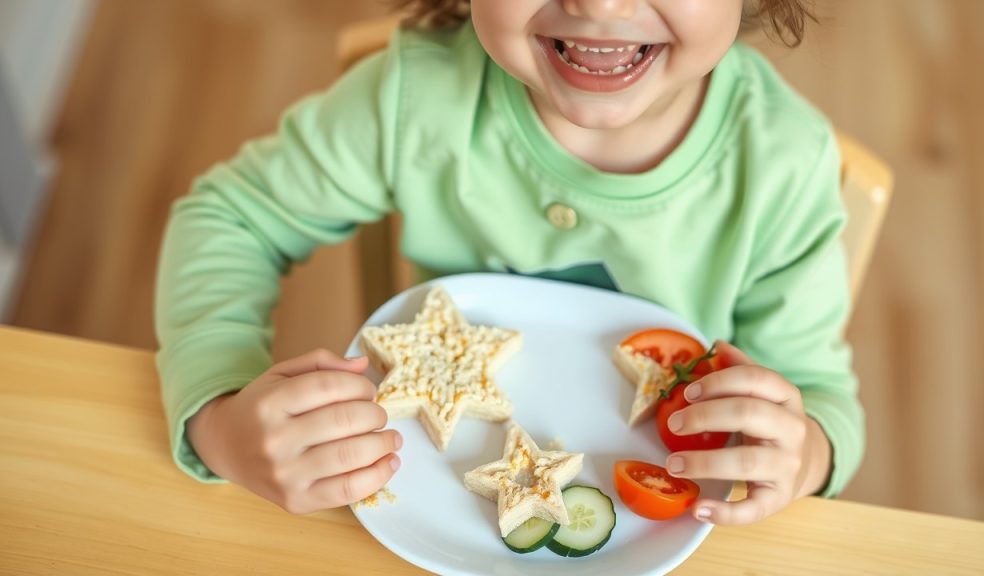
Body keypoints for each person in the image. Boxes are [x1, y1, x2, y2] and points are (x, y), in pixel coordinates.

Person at [156, 0, 863, 525]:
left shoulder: (784, 166)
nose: (600, 5)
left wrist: (802, 454)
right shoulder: (415, 98)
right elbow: (232, 218)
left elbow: (819, 395)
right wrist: (218, 416)